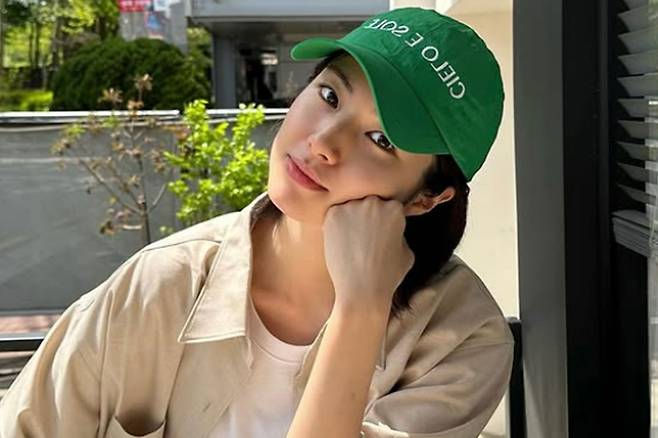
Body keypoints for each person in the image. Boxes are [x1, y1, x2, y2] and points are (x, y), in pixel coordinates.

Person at [0, 7, 514, 438]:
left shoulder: (462, 339)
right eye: (330, 96)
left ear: (427, 197)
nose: (323, 142)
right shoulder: (161, 284)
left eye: (381, 140)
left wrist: (361, 309)